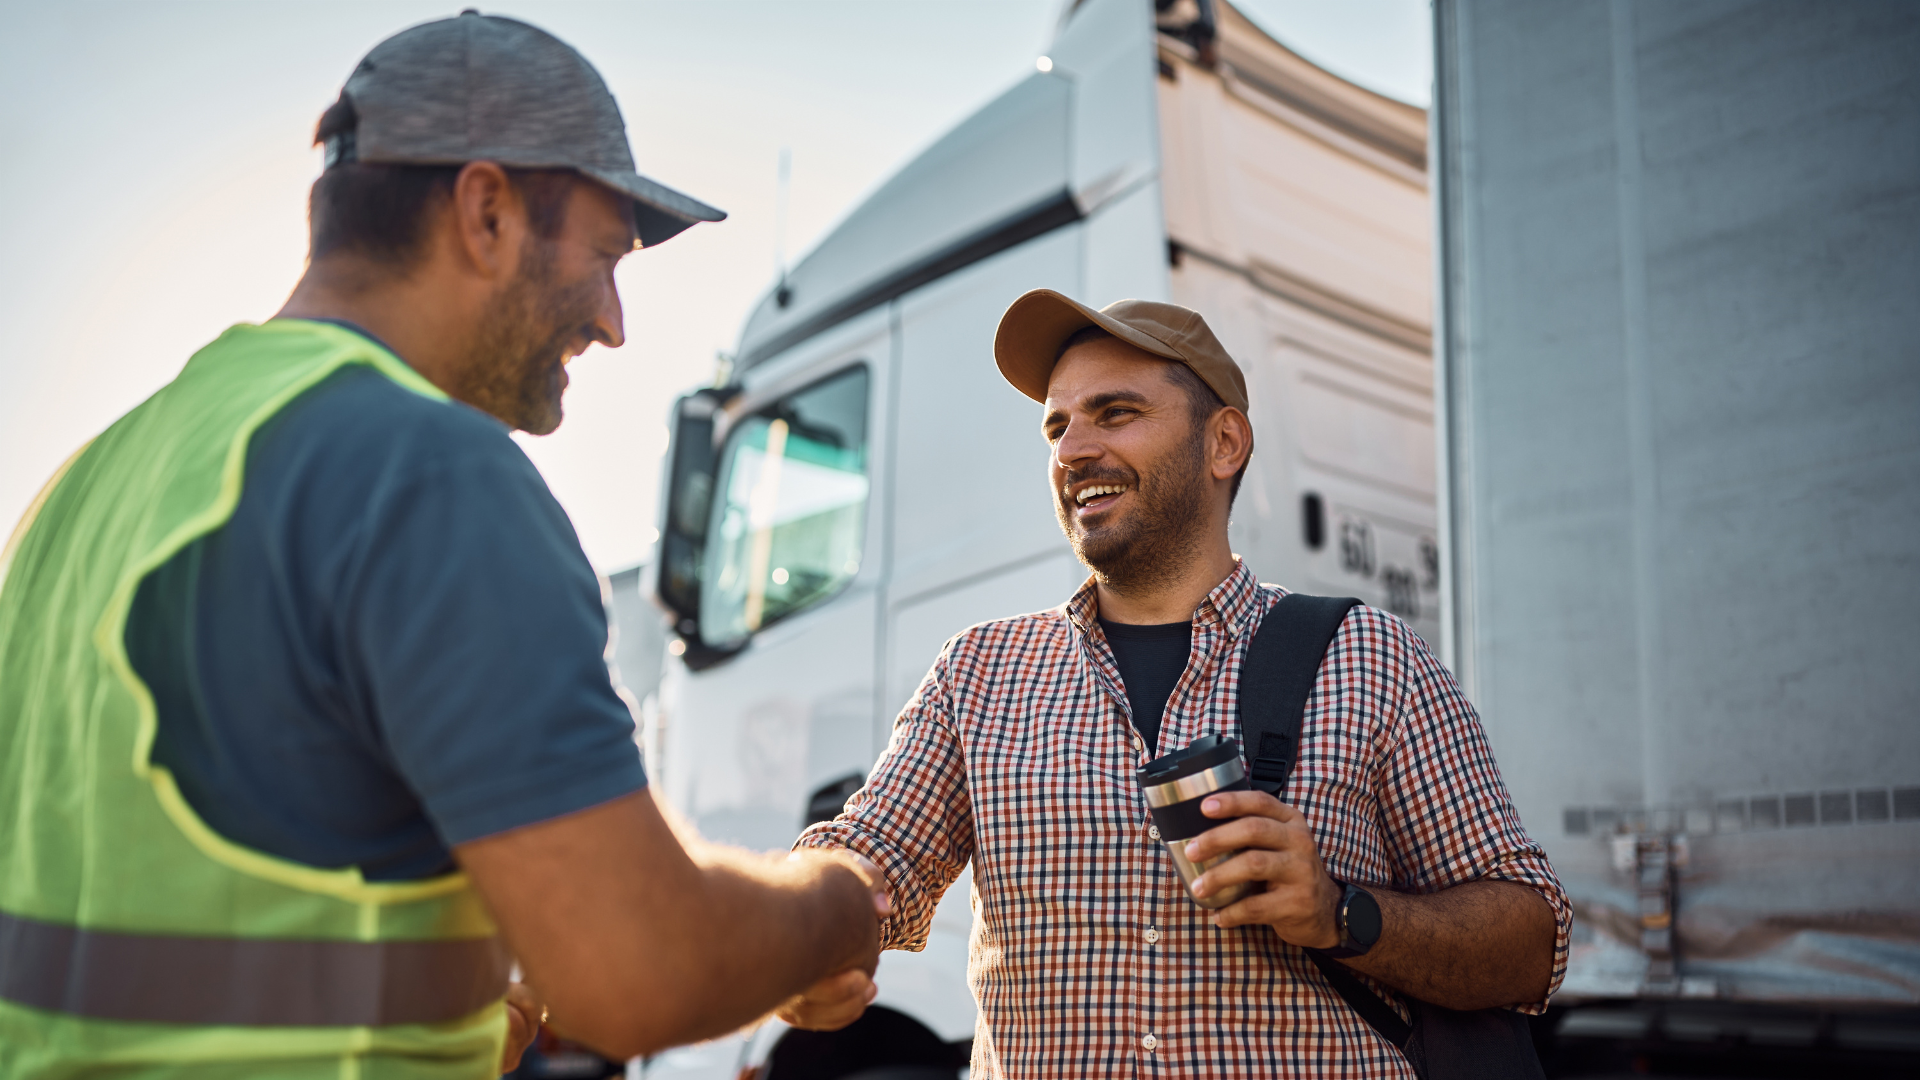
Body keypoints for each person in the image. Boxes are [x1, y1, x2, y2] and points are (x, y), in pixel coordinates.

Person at [0, 13, 883, 1078]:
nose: (612, 322)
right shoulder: (422, 470)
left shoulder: (84, 486)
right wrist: (834, 909)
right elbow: (640, 971)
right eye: (605, 256)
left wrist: (485, 1005)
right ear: (486, 211)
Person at [783, 290, 1571, 1077]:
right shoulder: (980, 675)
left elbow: (1531, 944)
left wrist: (1339, 912)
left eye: (1115, 413)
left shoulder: (1369, 657)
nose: (1071, 450)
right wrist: (804, 929)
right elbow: (868, 852)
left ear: (1224, 441)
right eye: (1057, 426)